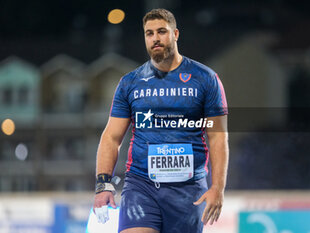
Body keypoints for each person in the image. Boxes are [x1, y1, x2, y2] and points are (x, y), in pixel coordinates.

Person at [93, 8, 229, 233]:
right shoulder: (130, 83)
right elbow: (111, 137)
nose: (155, 38)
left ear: (175, 34)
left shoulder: (206, 79)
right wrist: (103, 184)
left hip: (188, 191)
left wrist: (218, 187)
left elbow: (217, 137)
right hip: (141, 186)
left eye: (161, 32)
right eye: (149, 33)